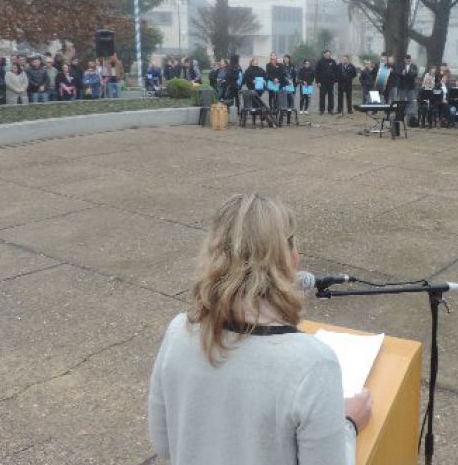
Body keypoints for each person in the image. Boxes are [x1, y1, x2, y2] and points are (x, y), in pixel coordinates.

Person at [148, 194, 371, 465]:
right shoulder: (313, 363)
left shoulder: (178, 332)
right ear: (290, 258)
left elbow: (163, 443)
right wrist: (349, 424)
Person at [314, 50, 337, 115]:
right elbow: (316, 72)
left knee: (331, 97)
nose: (328, 55)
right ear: (324, 54)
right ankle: (322, 110)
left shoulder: (333, 61)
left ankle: (330, 110)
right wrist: (318, 81)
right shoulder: (320, 61)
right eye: (326, 54)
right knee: (322, 97)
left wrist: (335, 80)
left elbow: (336, 71)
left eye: (329, 54)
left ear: (330, 55)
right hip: (322, 82)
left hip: (331, 82)